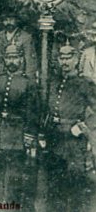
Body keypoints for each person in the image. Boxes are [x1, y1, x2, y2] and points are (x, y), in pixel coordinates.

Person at [0, 43, 39, 208]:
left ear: (21, 59)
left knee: (14, 177)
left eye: (15, 57)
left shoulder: (28, 83)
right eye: (8, 57)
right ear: (4, 59)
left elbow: (32, 112)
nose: (11, 61)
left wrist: (29, 134)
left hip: (16, 136)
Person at [41, 44, 96, 211]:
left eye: (68, 58)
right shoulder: (54, 81)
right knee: (54, 183)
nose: (64, 62)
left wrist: (84, 127)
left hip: (73, 141)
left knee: (74, 184)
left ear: (76, 59)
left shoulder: (84, 83)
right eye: (62, 58)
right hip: (55, 137)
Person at [0, 7, 37, 78]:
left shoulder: (26, 37)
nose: (8, 22)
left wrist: (29, 79)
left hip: (18, 77)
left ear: (17, 20)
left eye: (11, 19)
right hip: (0, 76)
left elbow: (30, 61)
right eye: (5, 20)